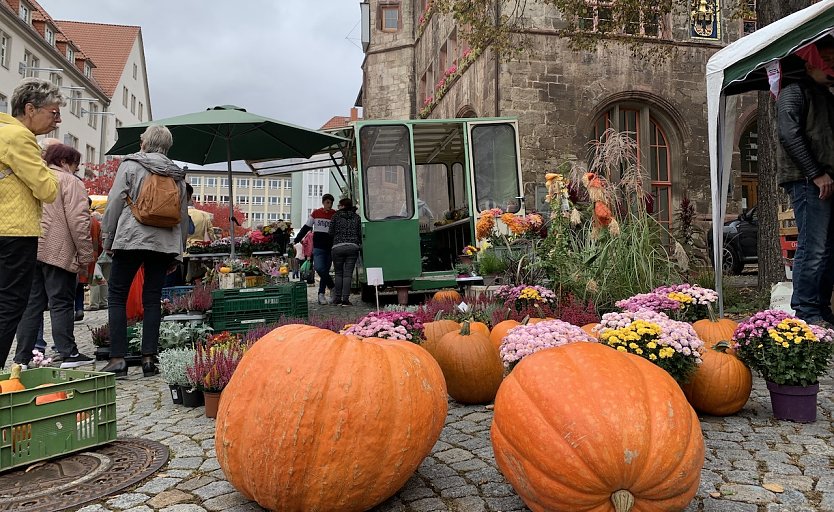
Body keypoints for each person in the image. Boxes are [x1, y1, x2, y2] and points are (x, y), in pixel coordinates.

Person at [100, 125, 189, 377]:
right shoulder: (177, 174)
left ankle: (117, 359)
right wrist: (177, 252)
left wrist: (108, 237)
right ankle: (149, 358)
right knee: (152, 299)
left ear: (144, 143)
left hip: (131, 237)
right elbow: (182, 216)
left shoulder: (129, 165)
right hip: (163, 243)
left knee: (117, 296)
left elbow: (115, 202)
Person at [14, 143, 94, 368]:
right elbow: (79, 222)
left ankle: (23, 357)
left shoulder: (34, 177)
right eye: (75, 165)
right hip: (58, 250)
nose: (76, 170)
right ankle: (68, 353)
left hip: (30, 249)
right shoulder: (70, 182)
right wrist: (86, 256)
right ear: (64, 162)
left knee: (31, 305)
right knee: (61, 303)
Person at [0, 78, 61, 367]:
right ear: (30, 109)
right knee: (11, 304)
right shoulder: (19, 138)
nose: (57, 120)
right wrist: (44, 163)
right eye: (53, 112)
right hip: (14, 231)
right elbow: (48, 189)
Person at [777, 36, 834, 326]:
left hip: (824, 179)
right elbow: (789, 134)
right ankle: (806, 311)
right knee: (813, 247)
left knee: (828, 249)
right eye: (827, 58)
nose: (832, 64)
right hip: (807, 181)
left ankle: (820, 309)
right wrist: (816, 173)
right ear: (810, 61)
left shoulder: (823, 95)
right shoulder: (793, 92)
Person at [293, 194, 336, 304]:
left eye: (331, 203)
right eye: (327, 202)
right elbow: (306, 227)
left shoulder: (334, 214)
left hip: (330, 247)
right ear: (323, 202)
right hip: (318, 247)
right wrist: (297, 239)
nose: (329, 205)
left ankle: (321, 295)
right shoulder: (316, 213)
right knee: (319, 268)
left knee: (325, 271)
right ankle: (332, 287)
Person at [329, 198, 362, 306]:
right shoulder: (357, 217)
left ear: (342, 206)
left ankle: (337, 298)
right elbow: (360, 233)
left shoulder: (335, 216)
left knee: (338, 274)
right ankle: (346, 299)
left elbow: (330, 232)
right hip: (352, 247)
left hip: (337, 247)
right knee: (347, 275)